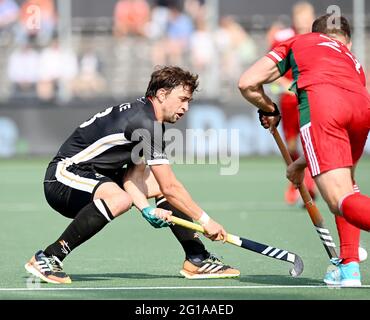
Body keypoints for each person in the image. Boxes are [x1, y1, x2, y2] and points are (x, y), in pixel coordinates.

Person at [25, 66, 240, 284]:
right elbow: (171, 188)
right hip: (63, 176)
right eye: (182, 99)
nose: (185, 107)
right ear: (162, 94)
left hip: (95, 177)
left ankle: (196, 258)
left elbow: (133, 176)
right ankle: (50, 256)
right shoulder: (145, 122)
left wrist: (146, 209)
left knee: (154, 184)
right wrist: (207, 222)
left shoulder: (150, 119)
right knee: (124, 198)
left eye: (189, 102)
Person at [238, 14, 370, 287]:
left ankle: (348, 267)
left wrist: (269, 108)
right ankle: (349, 270)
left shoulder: (296, 42)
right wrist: (300, 164)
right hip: (362, 108)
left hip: (324, 105)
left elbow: (247, 82)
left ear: (314, 32)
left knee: (338, 200)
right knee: (347, 187)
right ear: (348, 40)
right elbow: (333, 147)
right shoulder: (352, 61)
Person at [269, 2, 316, 205]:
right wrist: (289, 85)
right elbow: (271, 69)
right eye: (300, 17)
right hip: (289, 102)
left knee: (310, 141)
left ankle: (310, 184)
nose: (304, 21)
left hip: (312, 100)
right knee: (290, 145)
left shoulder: (320, 38)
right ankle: (295, 181)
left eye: (307, 16)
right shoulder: (283, 38)